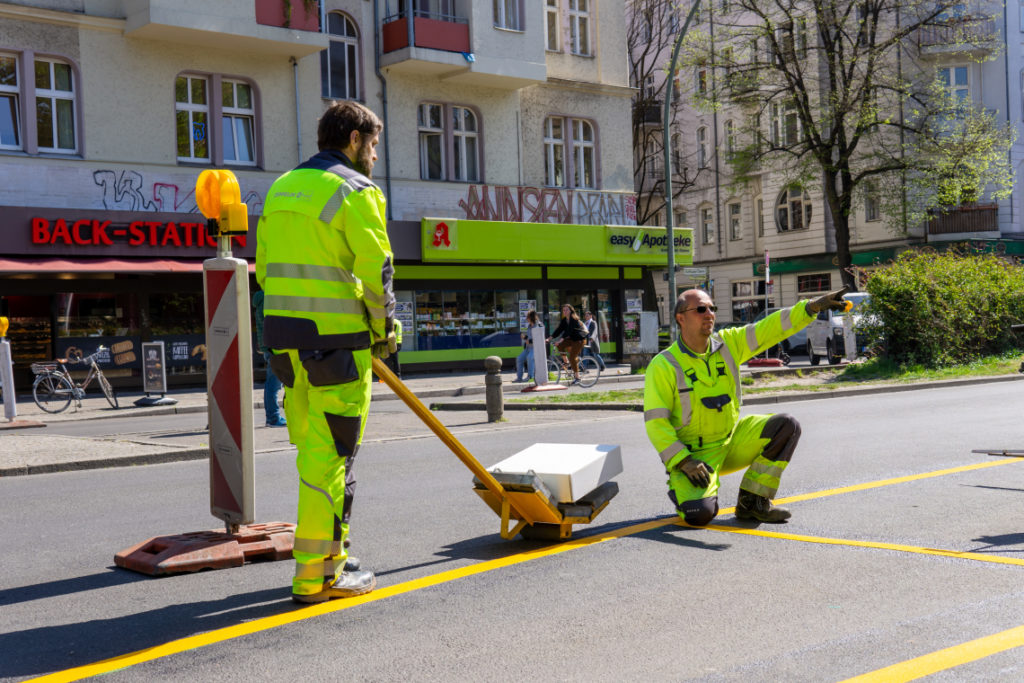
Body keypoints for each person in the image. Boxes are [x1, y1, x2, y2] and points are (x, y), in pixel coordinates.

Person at [256, 100, 396, 604]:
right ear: (354, 140)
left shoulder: (281, 188)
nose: (375, 156)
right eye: (373, 145)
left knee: (315, 457)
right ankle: (317, 576)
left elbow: (266, 271)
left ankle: (335, 553)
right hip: (336, 347)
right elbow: (376, 271)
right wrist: (383, 329)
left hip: (286, 348)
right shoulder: (356, 190)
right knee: (330, 459)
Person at [643, 286, 849, 526]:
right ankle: (680, 485)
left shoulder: (729, 344)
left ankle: (753, 502)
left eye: (712, 308)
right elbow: (656, 422)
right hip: (695, 457)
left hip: (731, 441)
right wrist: (682, 460)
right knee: (700, 514)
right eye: (701, 309)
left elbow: (769, 329)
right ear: (680, 318)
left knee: (786, 425)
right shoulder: (663, 365)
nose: (709, 314)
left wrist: (812, 306)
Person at [252, 287, 286, 427]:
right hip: (274, 348)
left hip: (268, 347)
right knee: (274, 384)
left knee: (273, 383)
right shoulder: (269, 300)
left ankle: (273, 417)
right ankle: (273, 417)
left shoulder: (260, 301)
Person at [549, 303, 589, 382]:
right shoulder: (564, 320)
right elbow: (559, 330)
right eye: (564, 310)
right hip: (571, 339)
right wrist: (550, 338)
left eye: (566, 310)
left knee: (572, 357)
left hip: (579, 340)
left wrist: (560, 340)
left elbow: (568, 331)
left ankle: (577, 377)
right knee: (560, 345)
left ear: (571, 311)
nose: (565, 311)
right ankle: (566, 362)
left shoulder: (573, 319)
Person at [515, 309, 541, 382]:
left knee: (529, 358)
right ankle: (519, 378)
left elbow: (539, 338)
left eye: (528, 317)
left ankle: (530, 376)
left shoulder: (538, 325)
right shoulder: (530, 326)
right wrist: (525, 337)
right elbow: (530, 338)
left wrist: (528, 340)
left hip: (535, 348)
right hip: (528, 348)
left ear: (532, 317)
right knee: (519, 358)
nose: (526, 318)